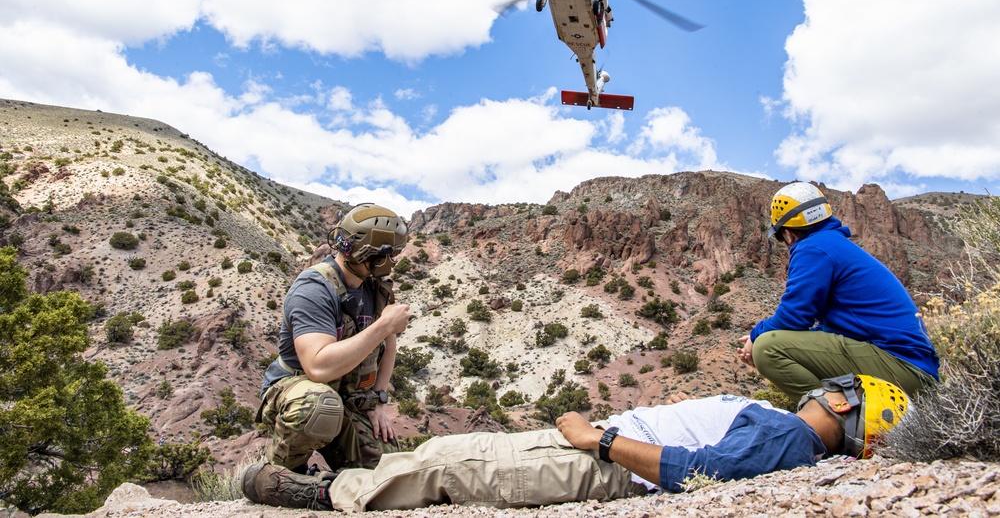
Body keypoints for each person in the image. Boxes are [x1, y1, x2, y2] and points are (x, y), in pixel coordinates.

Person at [241, 374, 909, 512]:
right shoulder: (784, 429)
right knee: (463, 453)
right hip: (600, 450)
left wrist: (599, 440)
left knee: (456, 467)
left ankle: (322, 495)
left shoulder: (791, 435)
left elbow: (701, 472)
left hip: (602, 465)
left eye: (834, 388)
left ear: (844, 404)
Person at [738, 181, 939, 401]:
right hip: (913, 369)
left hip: (903, 369)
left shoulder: (813, 248)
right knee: (772, 343)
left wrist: (757, 336)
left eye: (779, 237)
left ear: (788, 234)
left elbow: (794, 316)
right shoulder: (833, 244)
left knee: (768, 349)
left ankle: (836, 426)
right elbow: (831, 333)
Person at [254, 203, 411, 475]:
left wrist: (377, 402)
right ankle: (277, 474)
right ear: (373, 255)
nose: (391, 263)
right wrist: (384, 324)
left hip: (346, 396)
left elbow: (388, 347)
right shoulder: (314, 289)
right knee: (320, 406)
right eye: (390, 255)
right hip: (300, 391)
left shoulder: (375, 289)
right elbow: (318, 367)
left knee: (389, 473)